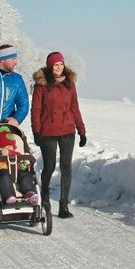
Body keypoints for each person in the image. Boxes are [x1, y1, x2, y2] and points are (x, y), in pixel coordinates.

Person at [31, 51, 87, 219]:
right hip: (48, 132)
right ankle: (45, 197)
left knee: (66, 168)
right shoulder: (41, 85)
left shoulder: (69, 84)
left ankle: (63, 206)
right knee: (49, 167)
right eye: (56, 65)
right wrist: (36, 131)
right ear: (50, 66)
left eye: (61, 64)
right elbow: (36, 110)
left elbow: (74, 107)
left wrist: (82, 130)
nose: (59, 67)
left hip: (67, 131)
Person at [0, 125, 39, 204]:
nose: (9, 148)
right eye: (6, 146)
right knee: (4, 178)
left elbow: (23, 161)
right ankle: (9, 196)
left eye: (11, 146)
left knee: (26, 175)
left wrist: (25, 162)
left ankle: (29, 192)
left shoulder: (16, 153)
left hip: (18, 170)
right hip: (2, 171)